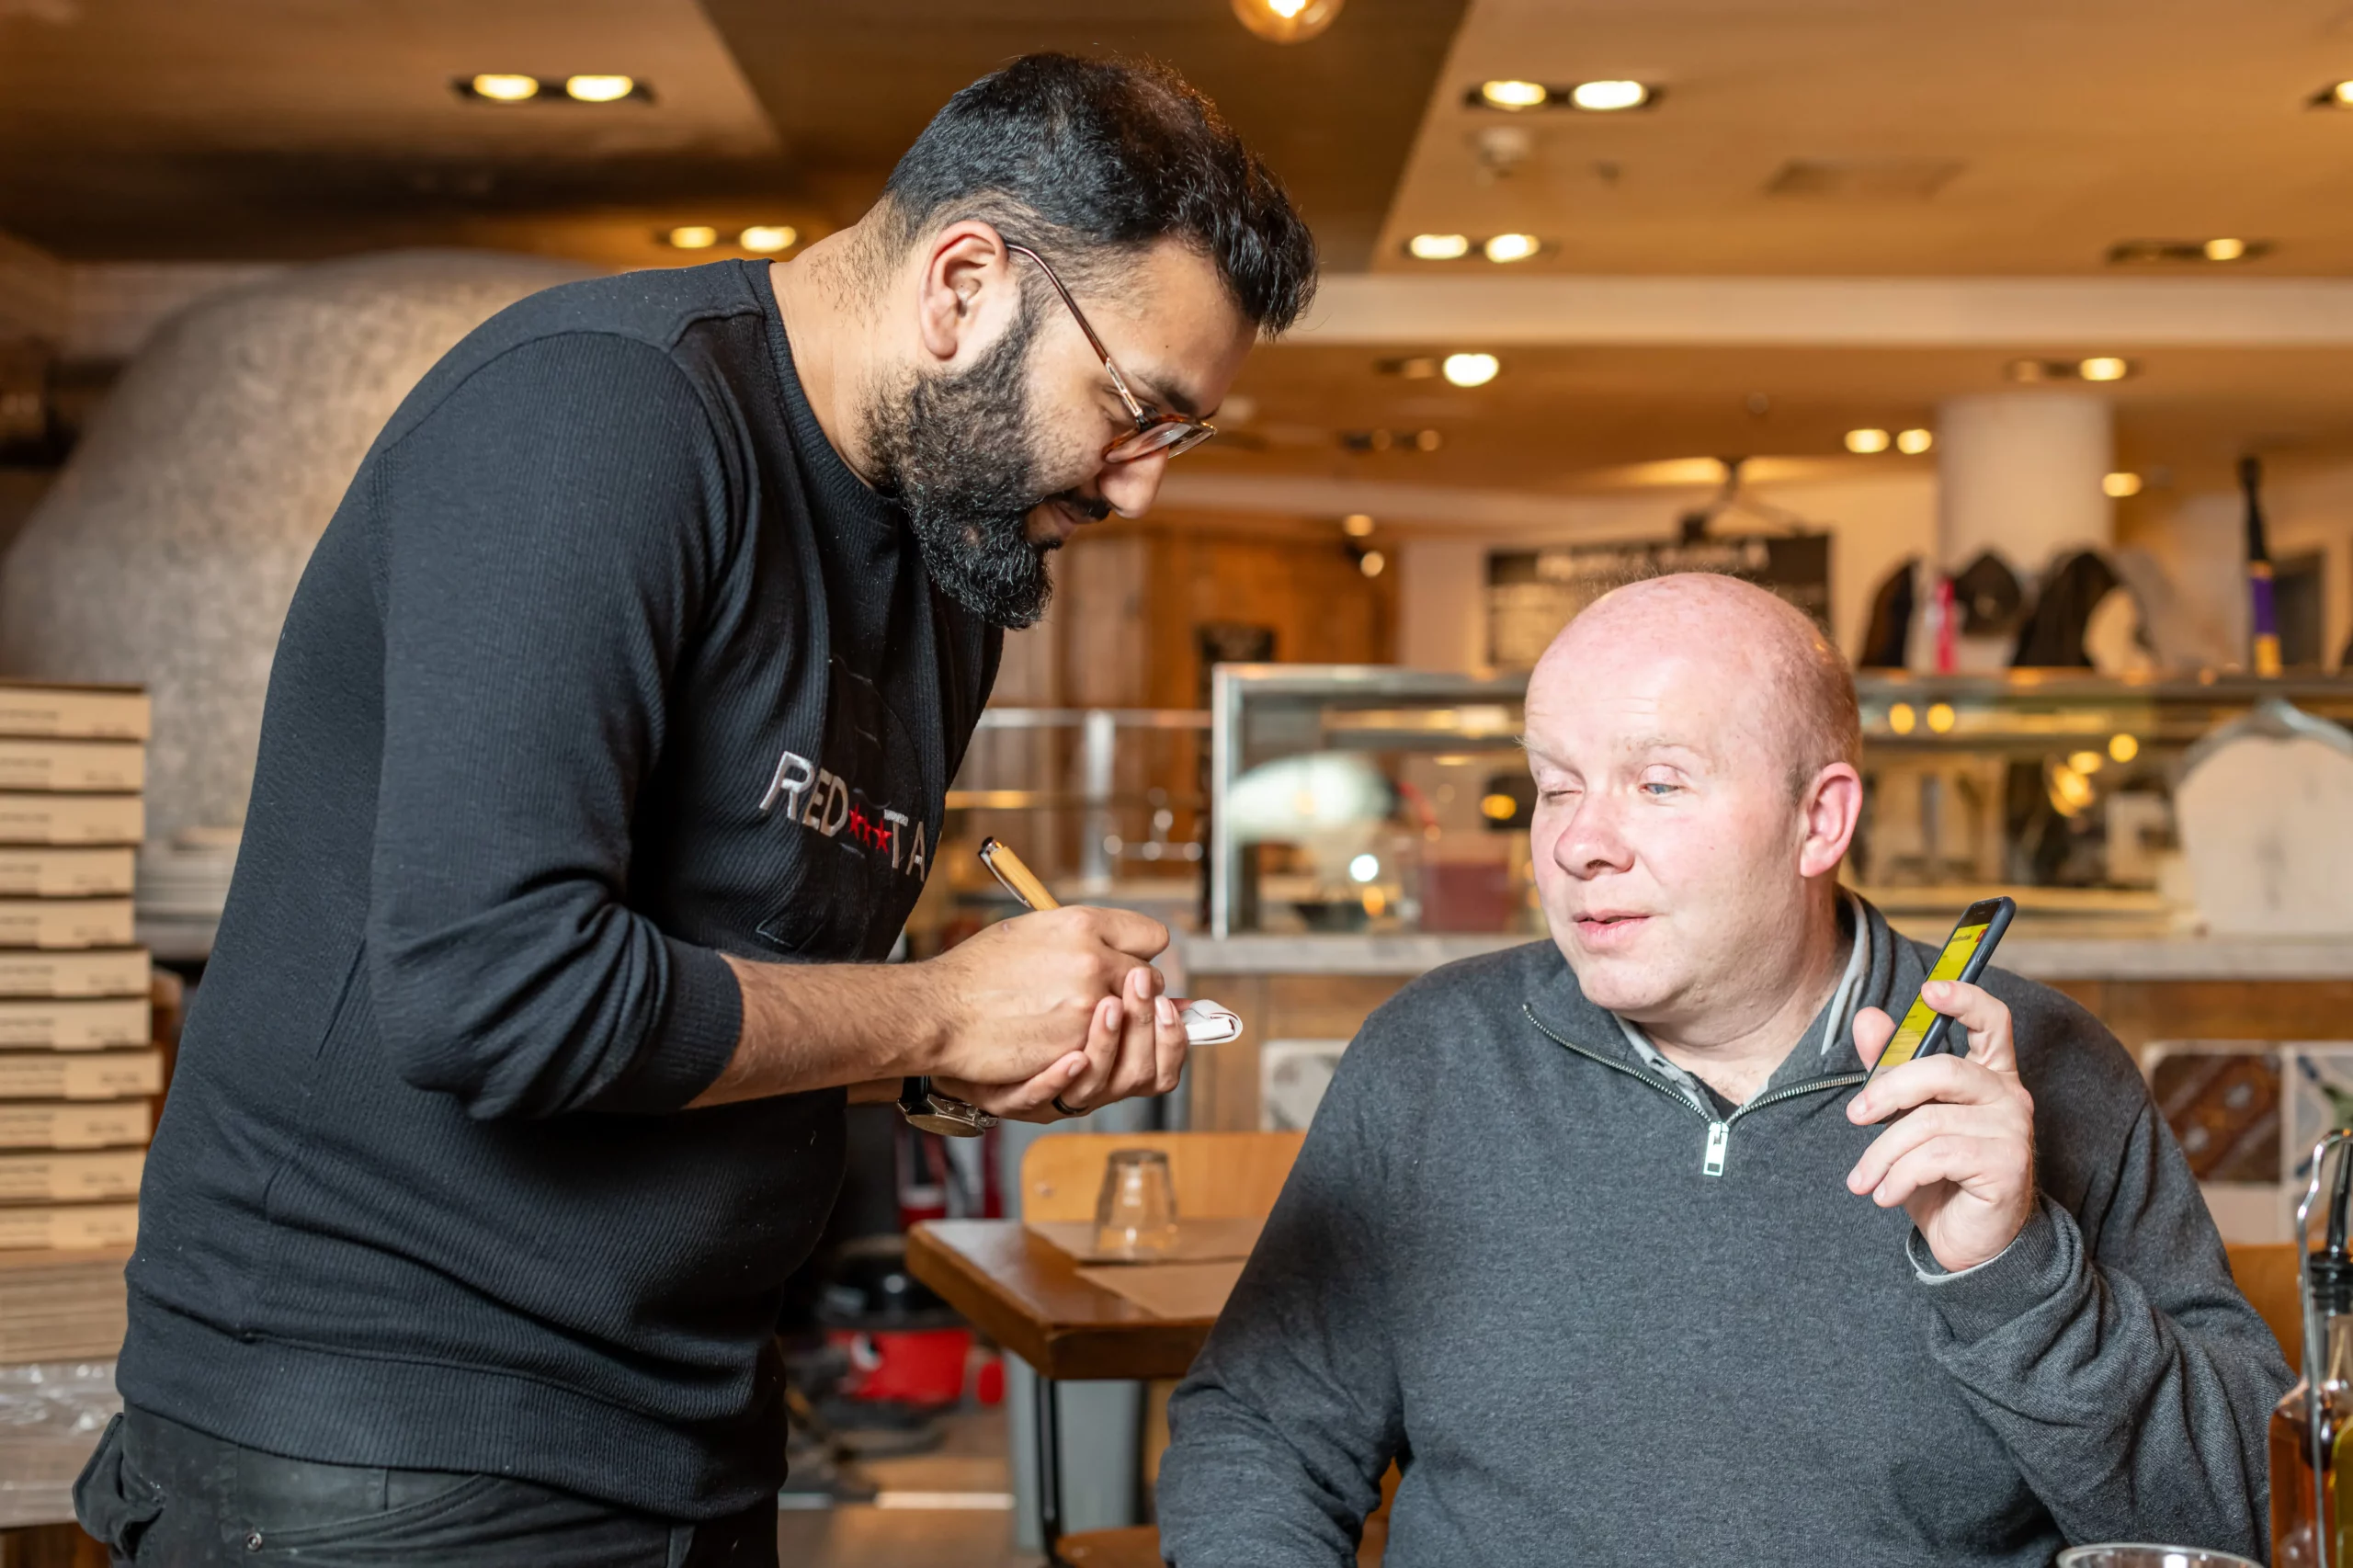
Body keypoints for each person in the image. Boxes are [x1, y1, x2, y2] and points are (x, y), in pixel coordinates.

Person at [75, 53, 1316, 1567]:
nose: (1139, 496)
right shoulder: (599, 415)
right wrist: (931, 1014)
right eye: (1131, 409)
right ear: (965, 282)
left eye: (1176, 442)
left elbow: (746, 981)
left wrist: (983, 1057)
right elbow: (493, 995)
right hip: (379, 1440)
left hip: (685, 1426)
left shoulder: (951, 564)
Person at [1158, 573, 2289, 1567]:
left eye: (1657, 782)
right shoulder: (1433, 1056)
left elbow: (2247, 1514)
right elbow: (1261, 1428)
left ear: (1819, 820)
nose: (1577, 843)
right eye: (1557, 784)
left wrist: (2014, 1271)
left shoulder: (2044, 1069)